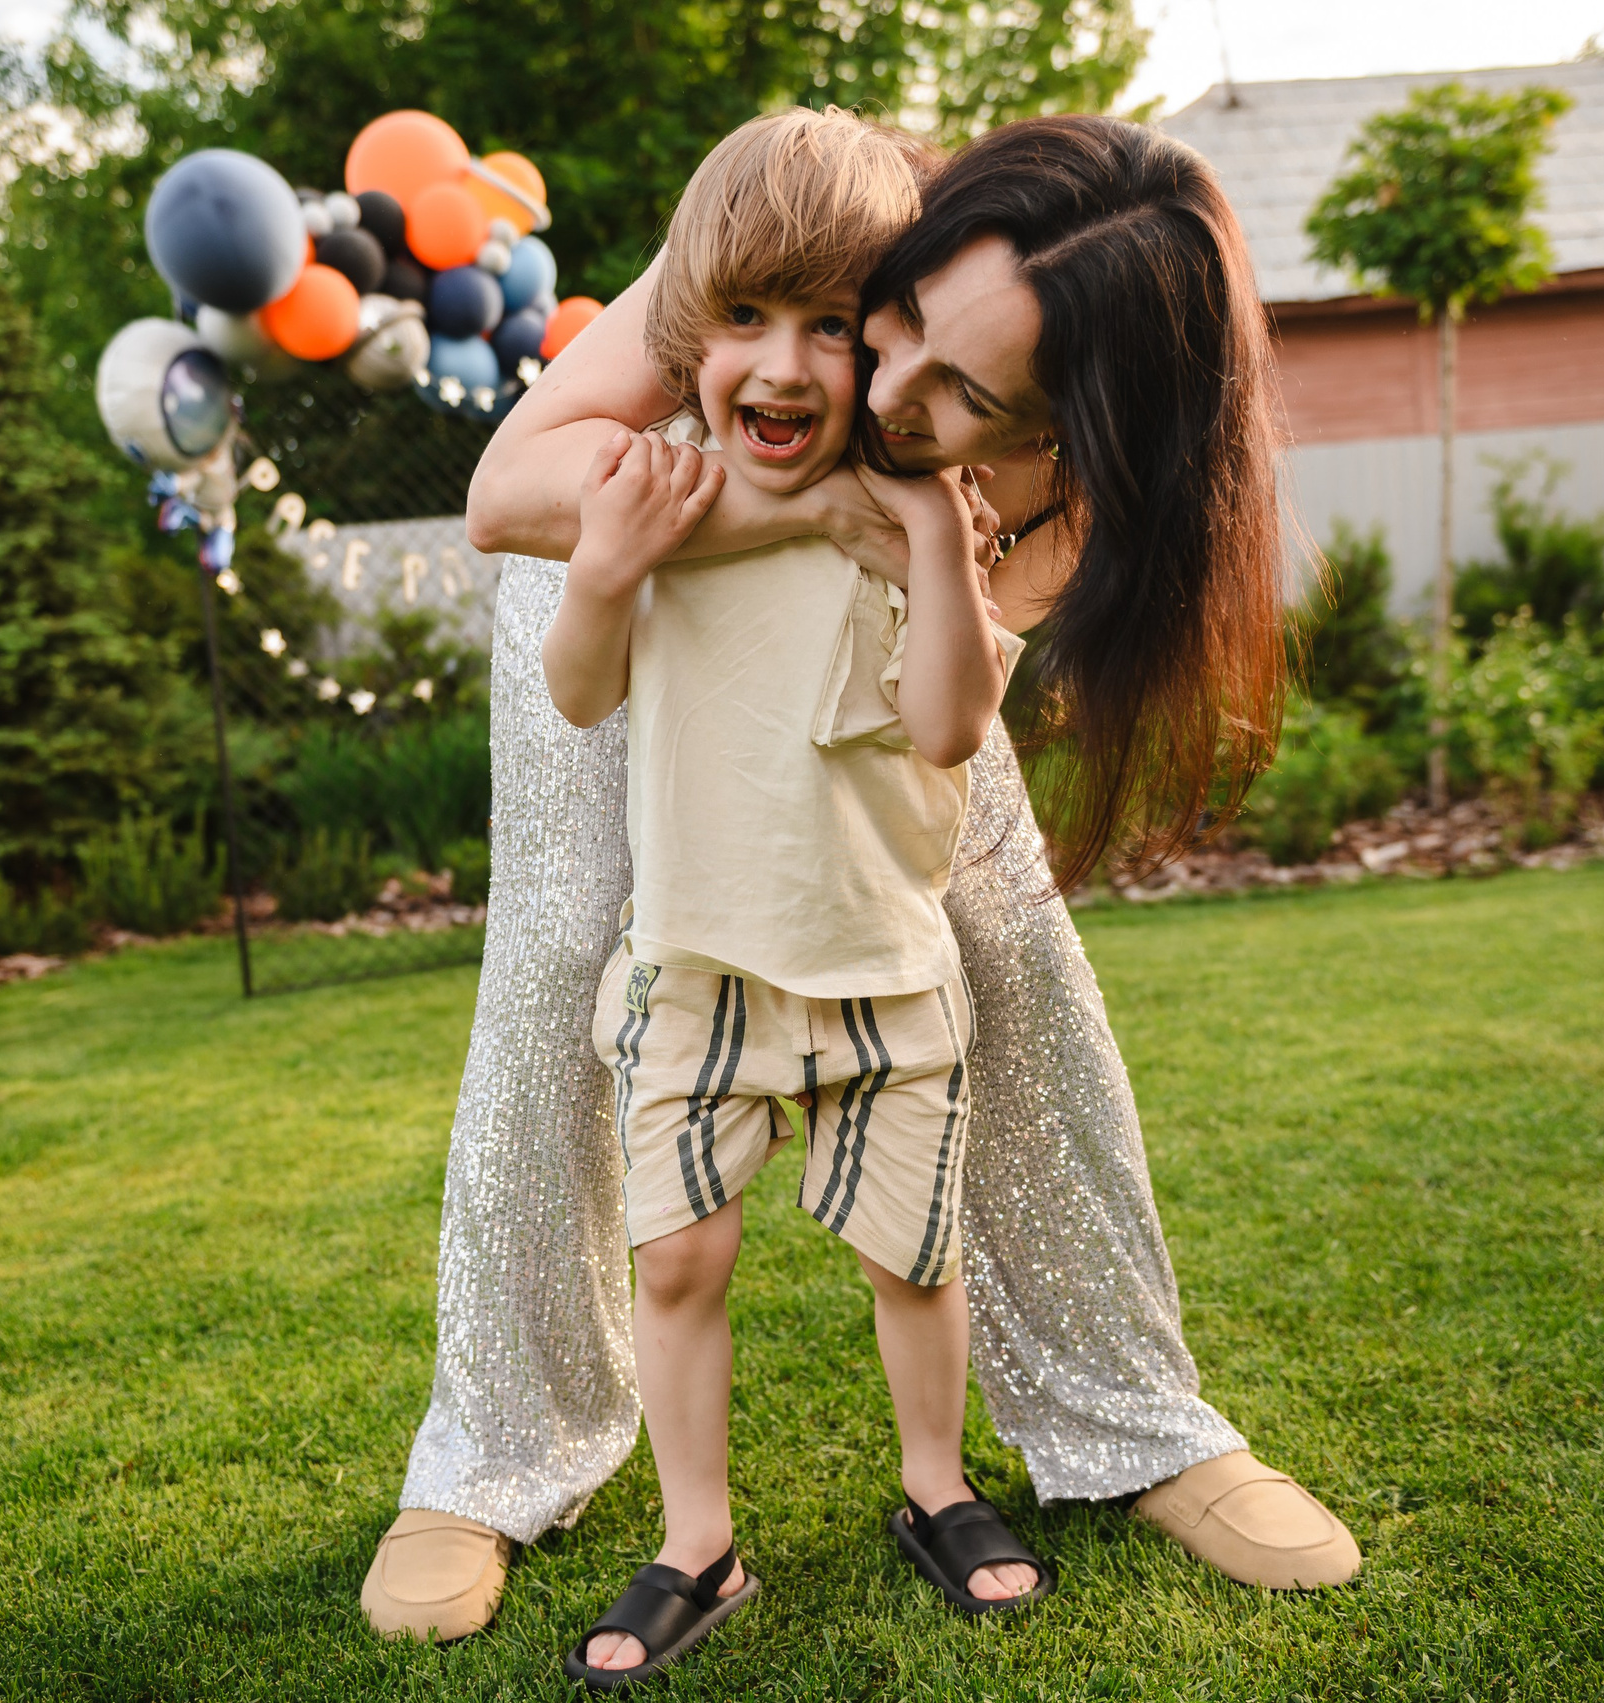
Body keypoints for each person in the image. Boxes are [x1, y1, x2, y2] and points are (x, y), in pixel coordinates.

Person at [357, 114, 1361, 1647]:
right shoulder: (822, 237)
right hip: (620, 577)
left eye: (964, 394)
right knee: (568, 958)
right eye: (898, 333)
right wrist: (830, 503)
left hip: (899, 603)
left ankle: (1134, 1415)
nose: (888, 394)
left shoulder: (1088, 490)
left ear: (1071, 422)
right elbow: (510, 496)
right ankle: (490, 1456)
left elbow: (940, 726)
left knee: (1003, 941)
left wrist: (912, 557)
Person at [537, 110, 1050, 1686]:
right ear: (688, 332)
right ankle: (698, 1542)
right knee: (680, 1261)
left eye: (830, 328)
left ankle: (936, 1488)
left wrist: (928, 547)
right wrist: (609, 571)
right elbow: (576, 694)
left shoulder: (921, 510)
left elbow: (955, 727)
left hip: (885, 959)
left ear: (884, 349)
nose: (782, 368)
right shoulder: (661, 499)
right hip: (697, 963)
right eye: (745, 321)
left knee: (916, 1254)